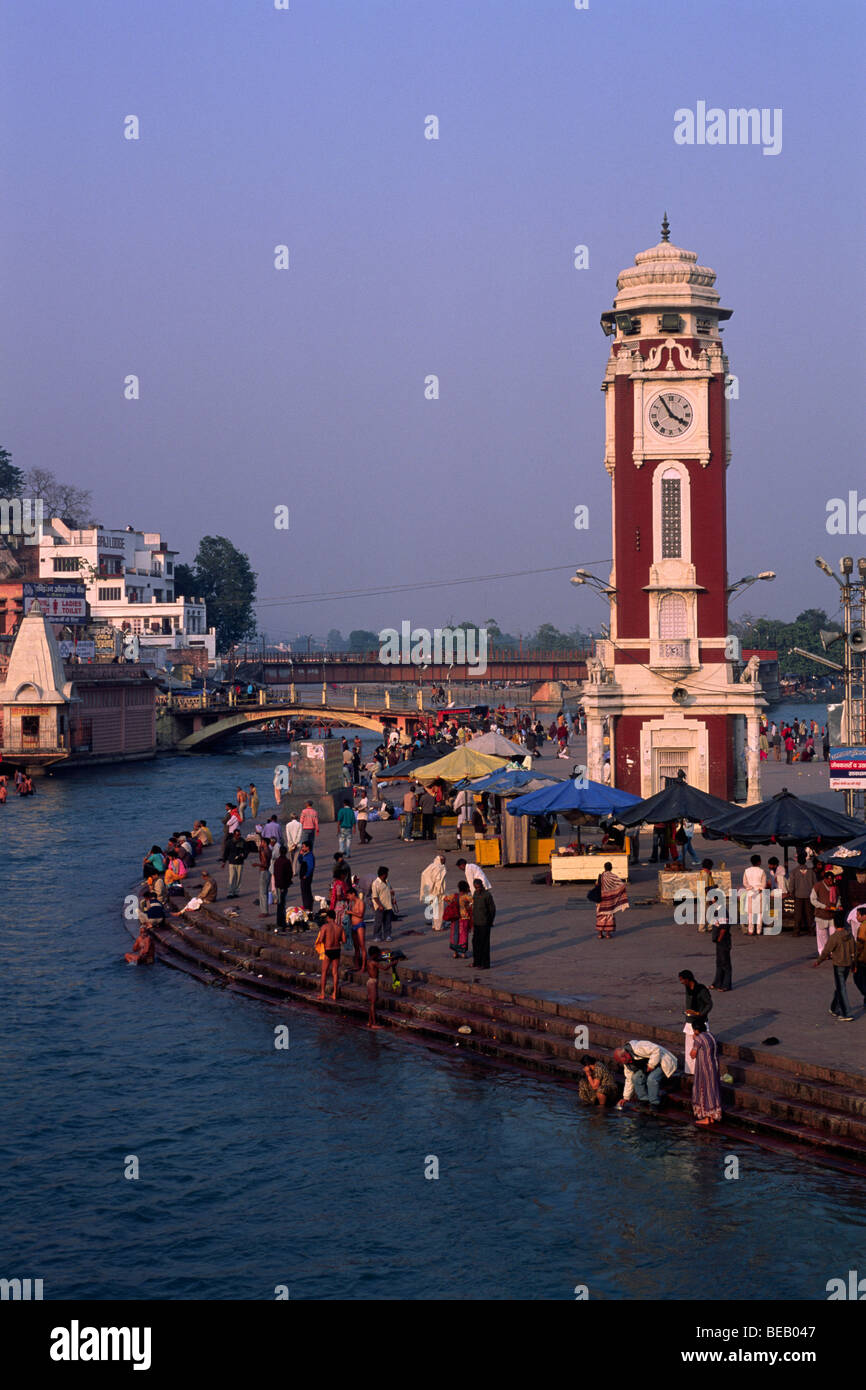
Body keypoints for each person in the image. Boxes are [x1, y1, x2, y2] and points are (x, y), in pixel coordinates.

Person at [811, 910, 856, 1021]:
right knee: (840, 986)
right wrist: (854, 964)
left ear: (835, 924)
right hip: (847, 964)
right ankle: (834, 1008)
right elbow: (854, 950)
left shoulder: (834, 937)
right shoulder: (849, 936)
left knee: (841, 989)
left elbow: (826, 951)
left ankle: (846, 1013)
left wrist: (819, 961)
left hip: (838, 964)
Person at [613, 1040, 678, 1109]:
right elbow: (629, 1079)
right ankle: (644, 1100)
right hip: (646, 1066)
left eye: (620, 1061)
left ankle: (654, 1103)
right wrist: (626, 1097)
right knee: (635, 1078)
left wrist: (651, 1065)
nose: (621, 1063)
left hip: (661, 1061)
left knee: (651, 1079)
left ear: (624, 1056)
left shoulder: (638, 1048)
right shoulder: (627, 1063)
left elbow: (656, 1049)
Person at [679, 969, 712, 1074]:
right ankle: (690, 1071)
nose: (682, 982)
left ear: (688, 979)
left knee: (699, 1048)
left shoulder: (701, 990)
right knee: (689, 1047)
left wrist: (699, 1014)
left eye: (682, 980)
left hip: (699, 1023)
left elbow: (709, 1004)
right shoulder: (687, 988)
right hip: (689, 1022)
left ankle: (700, 1070)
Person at [689, 1020, 723, 1125]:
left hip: (704, 1069)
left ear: (696, 1030)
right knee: (712, 1089)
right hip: (714, 1066)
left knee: (704, 1090)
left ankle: (707, 1118)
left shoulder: (699, 1039)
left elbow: (692, 1054)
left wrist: (695, 1039)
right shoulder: (711, 1035)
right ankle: (713, 1116)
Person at [316, 909, 345, 1002]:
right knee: (335, 973)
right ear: (335, 917)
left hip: (328, 950)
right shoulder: (340, 927)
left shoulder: (325, 927)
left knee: (324, 972)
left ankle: (323, 993)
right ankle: (334, 994)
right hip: (337, 950)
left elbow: (320, 940)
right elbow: (344, 940)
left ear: (328, 918)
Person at [594, 861, 628, 940]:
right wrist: (614, 892)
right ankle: (608, 934)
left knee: (600, 915)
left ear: (604, 868)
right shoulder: (613, 876)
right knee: (609, 915)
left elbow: (596, 885)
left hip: (601, 899)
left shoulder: (601, 876)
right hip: (610, 899)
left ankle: (600, 934)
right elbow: (622, 885)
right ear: (611, 868)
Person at [471, 878, 496, 968]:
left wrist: (490, 921)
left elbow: (492, 909)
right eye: (476, 887)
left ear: (481, 885)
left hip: (484, 923)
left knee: (484, 944)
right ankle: (477, 962)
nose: (477, 889)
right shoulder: (475, 894)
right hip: (476, 923)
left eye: (478, 887)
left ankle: (485, 964)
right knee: (475, 943)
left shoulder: (487, 895)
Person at [790, 854, 816, 939]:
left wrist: (792, 893)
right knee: (809, 914)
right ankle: (811, 930)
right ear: (805, 861)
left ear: (798, 861)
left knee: (798, 914)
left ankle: (796, 932)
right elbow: (815, 884)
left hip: (798, 895)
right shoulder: (811, 872)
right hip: (809, 895)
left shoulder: (794, 872)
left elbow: (791, 885)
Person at [420, 853, 447, 932]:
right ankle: (438, 927)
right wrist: (434, 888)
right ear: (440, 860)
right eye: (444, 860)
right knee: (439, 910)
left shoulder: (432, 866)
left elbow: (424, 874)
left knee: (435, 910)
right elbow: (438, 880)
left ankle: (434, 925)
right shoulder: (439, 868)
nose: (445, 861)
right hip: (437, 892)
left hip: (432, 892)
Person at [742, 854, 767, 935]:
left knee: (750, 913)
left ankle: (750, 930)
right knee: (759, 913)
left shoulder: (746, 871)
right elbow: (764, 884)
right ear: (759, 862)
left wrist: (750, 887)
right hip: (759, 893)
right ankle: (759, 930)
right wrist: (759, 888)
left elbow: (745, 883)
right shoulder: (762, 871)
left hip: (750, 893)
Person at [711, 905, 732, 991]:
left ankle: (726, 985)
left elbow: (724, 928)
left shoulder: (723, 911)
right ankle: (717, 983)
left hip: (724, 942)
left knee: (725, 963)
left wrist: (719, 939)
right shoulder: (716, 910)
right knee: (719, 962)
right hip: (719, 942)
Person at [347, 881, 367, 971]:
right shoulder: (352, 904)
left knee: (362, 946)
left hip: (360, 925)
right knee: (356, 948)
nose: (348, 898)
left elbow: (360, 915)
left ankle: (363, 966)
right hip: (353, 926)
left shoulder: (361, 902)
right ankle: (357, 965)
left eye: (349, 896)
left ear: (353, 894)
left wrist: (350, 912)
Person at [371, 866, 394, 942]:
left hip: (388, 905)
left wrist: (393, 899)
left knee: (388, 922)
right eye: (387, 873)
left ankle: (387, 935)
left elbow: (390, 891)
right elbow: (375, 897)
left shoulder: (387, 881)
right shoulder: (375, 884)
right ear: (383, 874)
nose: (387, 875)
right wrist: (380, 905)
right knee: (378, 922)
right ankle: (377, 936)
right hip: (380, 907)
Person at [223, 830, 248, 898]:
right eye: (237, 835)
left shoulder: (243, 841)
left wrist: (244, 855)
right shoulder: (229, 842)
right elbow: (226, 852)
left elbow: (246, 851)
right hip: (232, 861)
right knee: (232, 877)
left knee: (239, 877)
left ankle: (236, 892)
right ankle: (230, 892)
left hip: (240, 862)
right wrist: (224, 861)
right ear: (234, 835)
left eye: (239, 835)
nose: (239, 836)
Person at [272, 845, 293, 929]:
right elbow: (289, 874)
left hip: (278, 885)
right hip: (283, 885)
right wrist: (288, 882)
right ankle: (282, 922)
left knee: (279, 904)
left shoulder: (277, 861)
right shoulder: (286, 861)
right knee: (282, 904)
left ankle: (279, 921)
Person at [365, 946, 382, 1028]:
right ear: (375, 954)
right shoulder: (374, 962)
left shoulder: (369, 961)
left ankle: (369, 1021)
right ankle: (374, 1024)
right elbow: (385, 968)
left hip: (370, 982)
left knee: (372, 1003)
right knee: (373, 1004)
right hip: (373, 983)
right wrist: (392, 963)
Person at [256, 835, 272, 917]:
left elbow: (264, 863)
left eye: (262, 842)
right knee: (264, 892)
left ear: (264, 843)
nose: (260, 843)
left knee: (263, 892)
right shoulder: (269, 850)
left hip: (264, 872)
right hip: (267, 872)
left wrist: (257, 864)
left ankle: (264, 911)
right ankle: (264, 911)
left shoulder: (264, 851)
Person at [298, 843, 315, 911]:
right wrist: (300, 855)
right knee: (304, 892)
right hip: (303, 876)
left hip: (306, 877)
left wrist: (306, 875)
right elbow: (300, 861)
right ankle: (306, 906)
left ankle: (308, 907)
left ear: (308, 847)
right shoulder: (305, 855)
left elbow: (311, 867)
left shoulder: (310, 856)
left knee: (306, 892)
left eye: (304, 847)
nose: (302, 848)